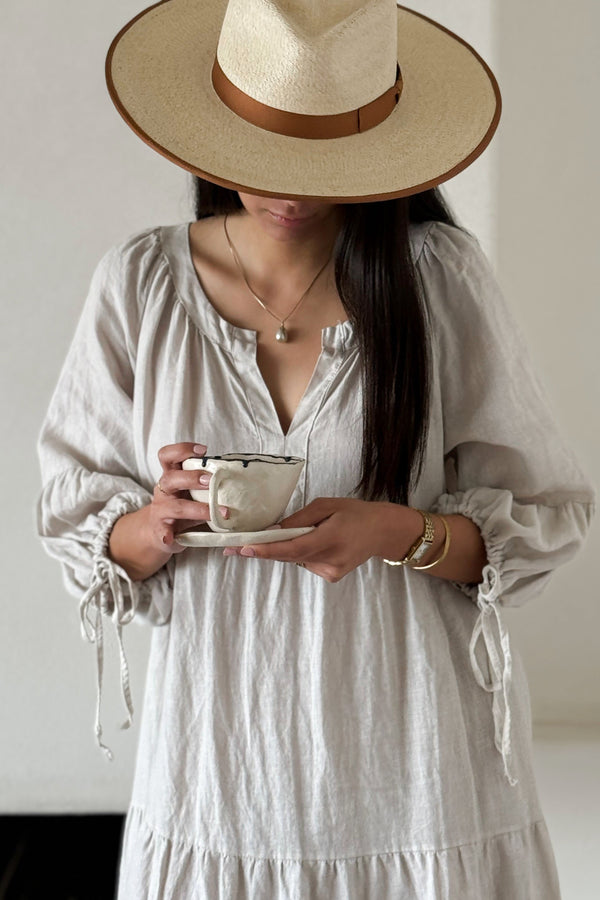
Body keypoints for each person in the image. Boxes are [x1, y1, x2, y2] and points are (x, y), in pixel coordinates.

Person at [37, 1, 594, 897]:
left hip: (420, 774)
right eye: (262, 154)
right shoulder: (139, 285)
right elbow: (81, 525)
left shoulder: (439, 280)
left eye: (317, 158)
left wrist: (395, 533)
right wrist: (154, 523)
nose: (286, 189)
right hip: (220, 779)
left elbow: (544, 516)